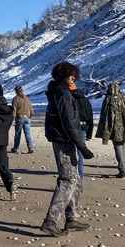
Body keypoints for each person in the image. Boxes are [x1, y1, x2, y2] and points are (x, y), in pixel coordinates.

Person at [39, 61, 94, 237]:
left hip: (64, 139)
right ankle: (51, 221)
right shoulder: (61, 94)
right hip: (64, 141)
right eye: (71, 75)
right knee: (68, 179)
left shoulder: (60, 92)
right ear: (63, 75)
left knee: (75, 179)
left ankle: (71, 219)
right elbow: (68, 122)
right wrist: (81, 145)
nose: (74, 78)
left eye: (74, 75)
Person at [95, 81, 125, 178]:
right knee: (122, 146)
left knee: (118, 147)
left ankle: (122, 169)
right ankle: (123, 167)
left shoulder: (108, 100)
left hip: (114, 128)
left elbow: (105, 116)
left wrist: (105, 130)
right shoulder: (124, 98)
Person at [69, 80, 94, 177]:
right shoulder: (86, 100)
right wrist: (90, 133)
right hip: (83, 127)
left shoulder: (68, 99)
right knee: (80, 153)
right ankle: (80, 178)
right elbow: (90, 118)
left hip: (72, 127)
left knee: (70, 153)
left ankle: (72, 177)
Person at [10, 85, 35, 154]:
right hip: (27, 117)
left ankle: (16, 148)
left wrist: (13, 118)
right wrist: (31, 115)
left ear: (16, 91)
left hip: (19, 117)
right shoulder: (27, 98)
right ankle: (30, 147)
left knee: (18, 133)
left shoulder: (15, 99)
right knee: (27, 133)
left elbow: (14, 110)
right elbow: (31, 108)